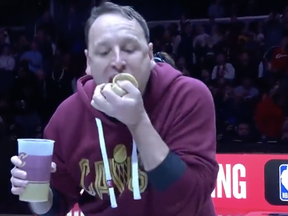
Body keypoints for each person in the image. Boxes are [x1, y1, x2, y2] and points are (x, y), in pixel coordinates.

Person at [10, 2, 218, 216]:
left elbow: (189, 200)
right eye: (103, 52)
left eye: (129, 49)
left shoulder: (187, 96)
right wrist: (36, 193)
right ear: (89, 62)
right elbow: (53, 206)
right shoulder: (67, 117)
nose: (118, 62)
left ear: (149, 55)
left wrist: (138, 122)